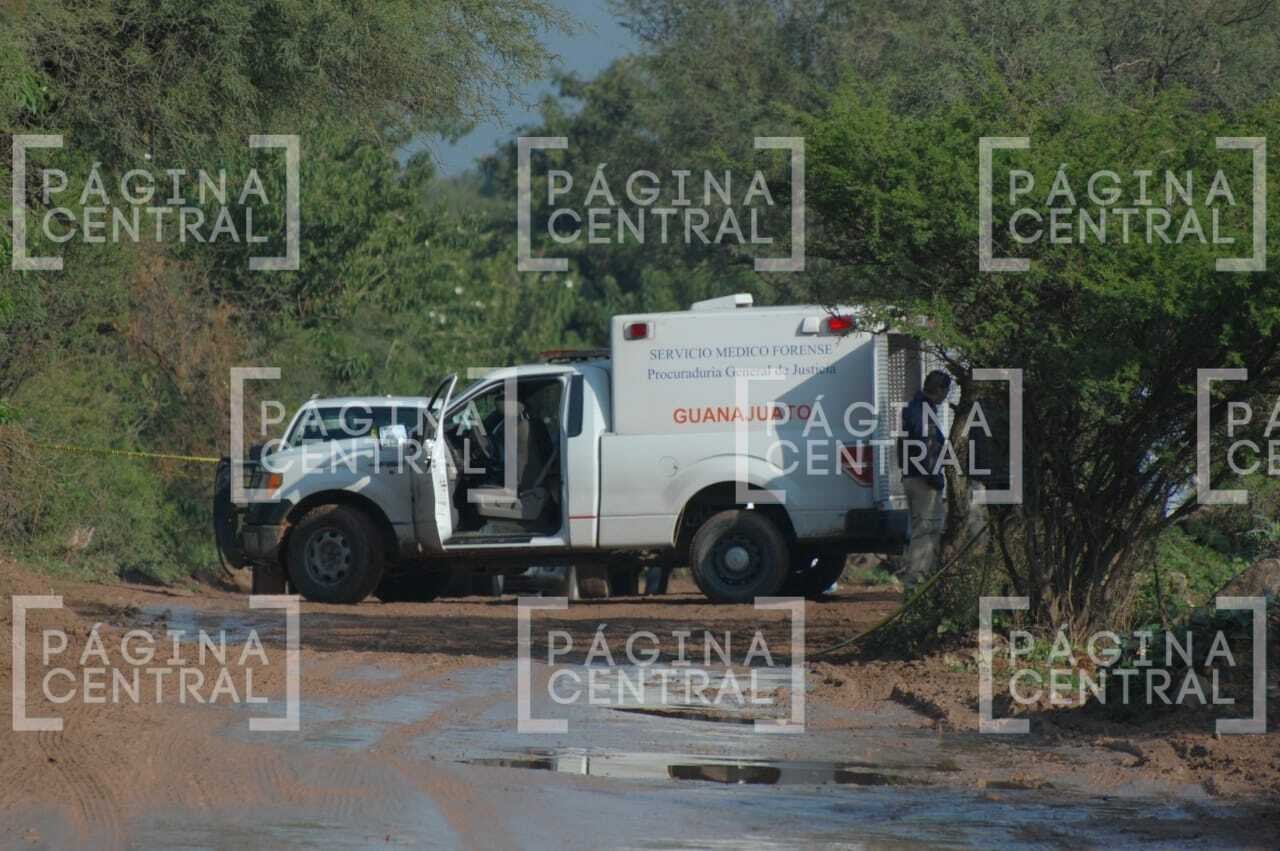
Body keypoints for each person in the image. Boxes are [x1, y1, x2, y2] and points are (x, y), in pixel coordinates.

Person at [898, 369, 952, 591]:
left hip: (911, 476)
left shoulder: (913, 408)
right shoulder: (925, 412)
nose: (945, 396)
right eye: (946, 391)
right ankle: (916, 582)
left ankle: (918, 579)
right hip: (923, 480)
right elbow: (927, 444)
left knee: (921, 528)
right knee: (927, 530)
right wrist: (935, 477)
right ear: (939, 390)